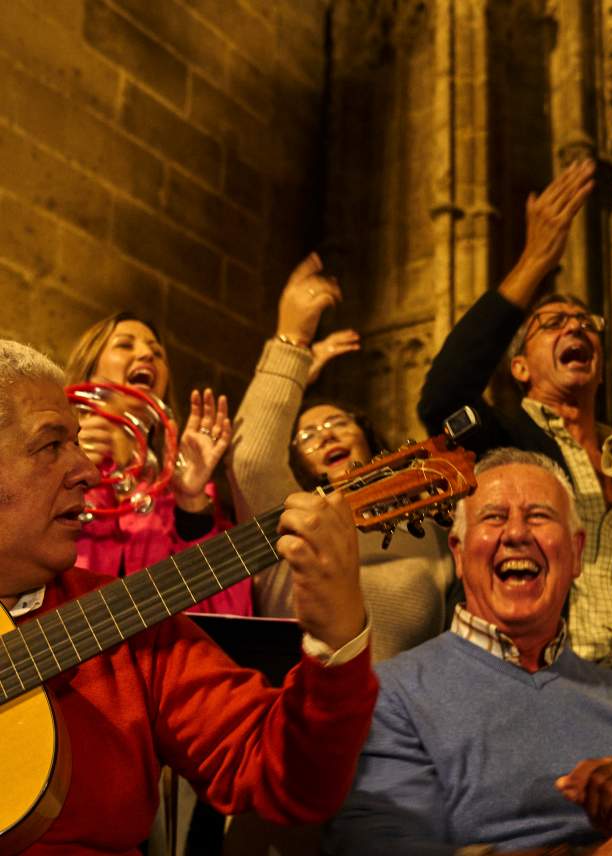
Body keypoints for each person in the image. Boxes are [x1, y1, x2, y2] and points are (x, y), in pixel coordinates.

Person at [0, 339, 377, 854]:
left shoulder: (128, 621)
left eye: (77, 443)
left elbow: (290, 783)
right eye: (51, 445)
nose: (87, 471)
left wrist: (338, 645)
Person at [325, 449, 612, 855]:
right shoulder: (389, 694)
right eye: (493, 517)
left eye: (539, 516)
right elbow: (380, 844)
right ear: (457, 552)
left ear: (576, 553)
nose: (516, 533)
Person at [418, 160, 612, 672]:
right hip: (536, 677)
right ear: (519, 366)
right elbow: (441, 398)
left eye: (586, 323)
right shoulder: (501, 441)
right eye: (554, 323)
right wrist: (535, 260)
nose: (576, 328)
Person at [229, 253, 459, 664]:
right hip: (314, 714)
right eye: (307, 436)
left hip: (408, 719)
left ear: (367, 435)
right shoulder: (289, 521)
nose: (327, 435)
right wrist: (292, 342)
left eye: (337, 422)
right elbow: (251, 457)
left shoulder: (432, 529)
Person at [65, 311, 252, 616]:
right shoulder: (44, 463)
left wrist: (192, 507)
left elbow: (228, 617)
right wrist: (67, 466)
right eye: (125, 345)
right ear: (89, 374)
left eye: (157, 352)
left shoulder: (172, 493)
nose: (146, 355)